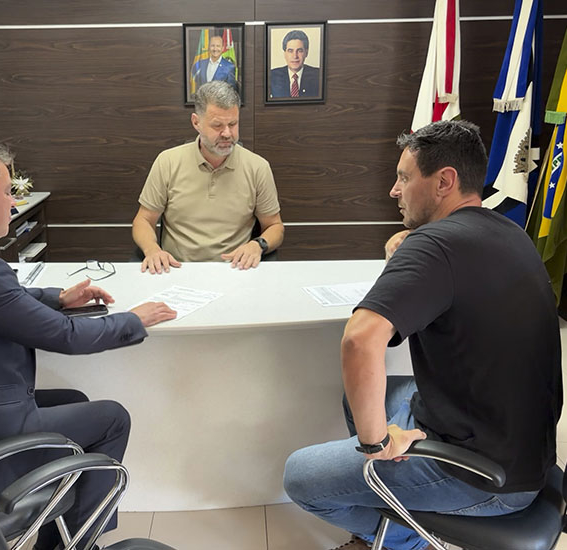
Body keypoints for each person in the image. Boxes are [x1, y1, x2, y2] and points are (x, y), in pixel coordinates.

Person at [0, 137, 177, 550]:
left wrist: (58, 297)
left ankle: (59, 534)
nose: (14, 202)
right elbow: (65, 336)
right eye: (7, 192)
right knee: (112, 419)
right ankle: (72, 545)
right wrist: (135, 320)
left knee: (74, 399)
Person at [283, 120, 562, 550]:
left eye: (404, 178)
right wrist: (412, 244)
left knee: (300, 476)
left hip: (483, 477)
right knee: (359, 398)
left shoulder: (435, 245)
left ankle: (402, 540)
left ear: (444, 181)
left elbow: (360, 340)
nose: (394, 190)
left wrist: (377, 443)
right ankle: (394, 500)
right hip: (522, 450)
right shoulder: (507, 231)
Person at [132, 80, 284, 274]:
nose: (227, 133)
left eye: (233, 124)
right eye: (217, 125)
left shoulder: (257, 167)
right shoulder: (168, 162)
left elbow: (275, 226)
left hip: (236, 270)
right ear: (196, 122)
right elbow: (143, 220)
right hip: (176, 270)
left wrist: (258, 245)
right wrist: (152, 250)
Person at [269, 30, 320, 99]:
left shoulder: (318, 76)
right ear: (285, 53)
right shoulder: (272, 76)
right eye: (290, 51)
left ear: (306, 53)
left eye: (299, 51)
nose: (295, 56)